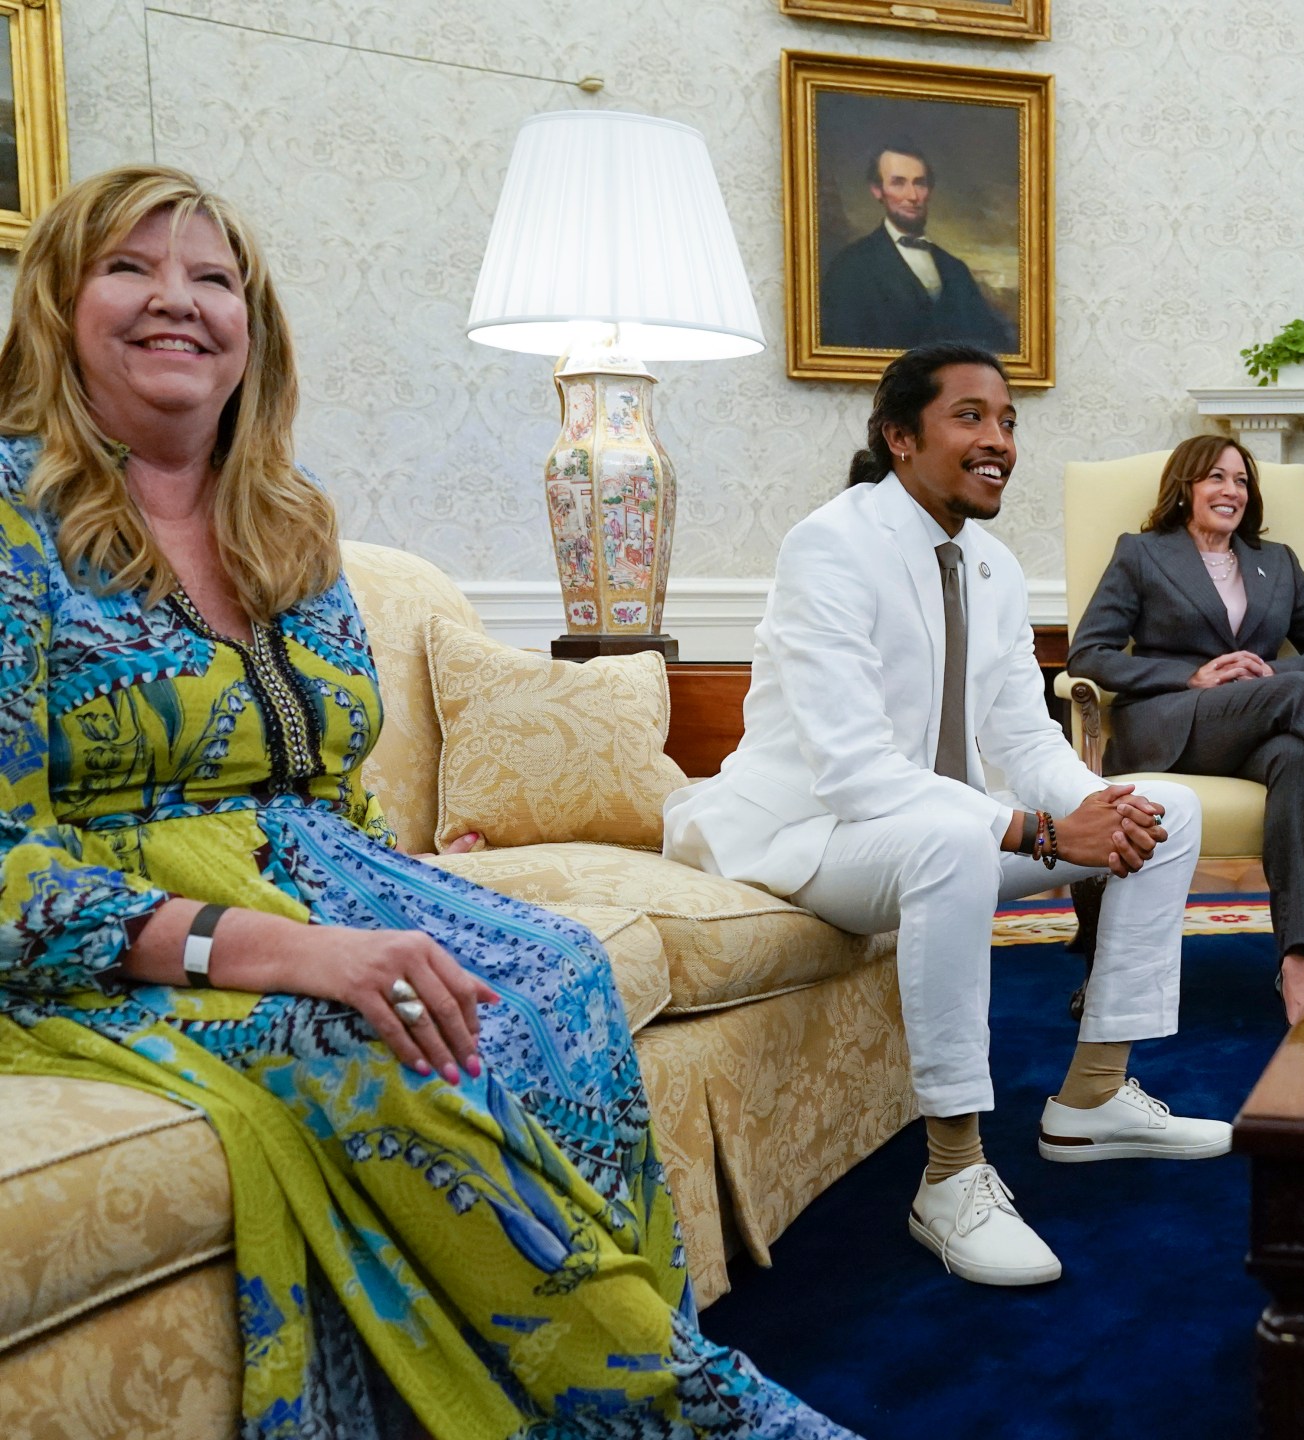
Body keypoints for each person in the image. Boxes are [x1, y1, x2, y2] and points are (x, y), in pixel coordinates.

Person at [0, 165, 850, 1435]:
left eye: (213, 278)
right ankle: (687, 1412)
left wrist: (390, 890)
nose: (176, 300)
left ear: (255, 332)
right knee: (374, 1035)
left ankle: (611, 1373)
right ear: (59, 308)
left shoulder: (285, 524)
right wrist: (292, 949)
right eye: (130, 267)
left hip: (315, 876)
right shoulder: (13, 520)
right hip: (114, 936)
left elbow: (324, 782)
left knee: (556, 972)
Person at [662, 343, 1220, 1288]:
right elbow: (854, 772)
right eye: (970, 416)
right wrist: (1044, 837)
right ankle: (953, 1175)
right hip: (810, 838)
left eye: (1007, 421)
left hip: (930, 833)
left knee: (1165, 806)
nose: (998, 439)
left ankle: (1091, 1098)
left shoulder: (995, 568)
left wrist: (1098, 812)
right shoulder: (831, 545)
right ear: (899, 436)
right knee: (958, 837)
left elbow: (1026, 743)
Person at [1067, 436, 1304, 1026]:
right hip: (1172, 722)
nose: (1231, 491)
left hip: (1258, 723)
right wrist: (1191, 676)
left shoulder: (1274, 562)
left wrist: (1271, 671)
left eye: (1241, 481)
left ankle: (1297, 965)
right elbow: (1089, 654)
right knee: (1303, 695)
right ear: (1185, 488)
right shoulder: (1143, 554)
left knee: (1295, 760)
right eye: (1215, 478)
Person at [818, 142, 1015, 353]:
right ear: (877, 191)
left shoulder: (956, 270)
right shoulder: (849, 266)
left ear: (929, 190)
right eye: (898, 183)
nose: (912, 196)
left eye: (920, 183)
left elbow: (993, 346)